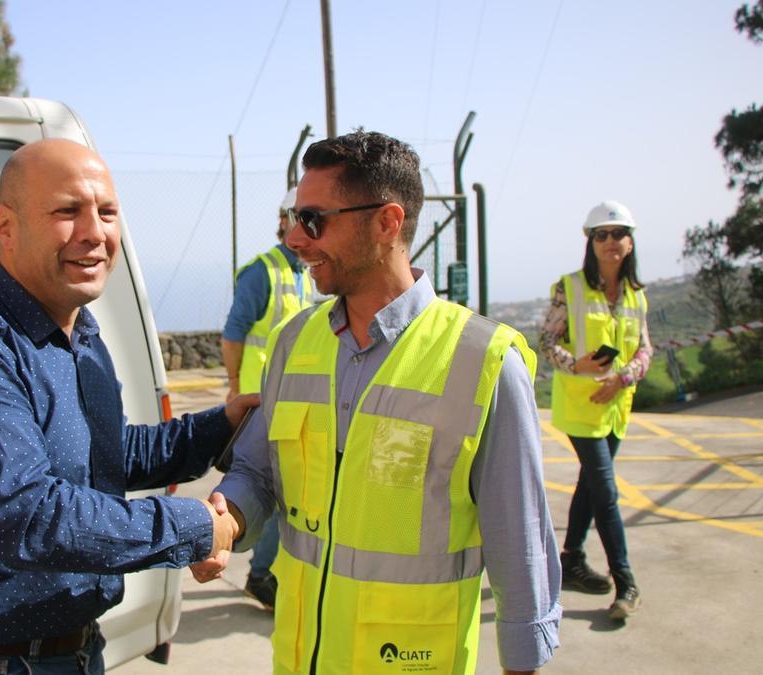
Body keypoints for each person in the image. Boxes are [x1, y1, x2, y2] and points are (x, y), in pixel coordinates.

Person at [195, 130, 561, 674]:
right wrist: (225, 520)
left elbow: (519, 541)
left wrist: (523, 662)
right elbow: (258, 470)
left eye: (314, 220)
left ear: (387, 223)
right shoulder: (294, 343)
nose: (296, 239)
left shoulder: (485, 362)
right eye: (295, 218)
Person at [0, 138, 254, 675]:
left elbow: (103, 456)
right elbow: (28, 515)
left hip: (77, 654)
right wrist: (197, 525)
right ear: (6, 227)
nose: (94, 232)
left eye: (107, 212)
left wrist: (223, 425)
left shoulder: (79, 332)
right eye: (67, 211)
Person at [538, 200, 652, 622]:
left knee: (590, 486)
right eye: (601, 235)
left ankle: (571, 560)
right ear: (590, 242)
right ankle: (626, 582)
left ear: (630, 241)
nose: (610, 241)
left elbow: (645, 348)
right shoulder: (568, 287)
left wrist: (624, 378)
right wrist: (577, 365)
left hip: (617, 407)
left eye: (618, 233)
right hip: (581, 410)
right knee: (606, 493)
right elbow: (547, 344)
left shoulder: (637, 295)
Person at [219, 186, 315, 610]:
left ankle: (267, 572)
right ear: (285, 221)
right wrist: (236, 385)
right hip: (262, 405)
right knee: (274, 496)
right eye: (301, 218)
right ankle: (261, 576)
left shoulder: (306, 273)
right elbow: (234, 333)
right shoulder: (263, 272)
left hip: (293, 403)